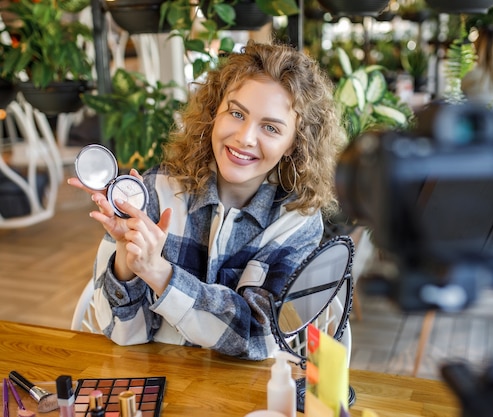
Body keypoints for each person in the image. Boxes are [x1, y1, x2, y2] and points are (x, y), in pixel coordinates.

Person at [68, 40, 347, 360]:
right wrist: (126, 255)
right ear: (215, 112)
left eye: (270, 127)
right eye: (237, 113)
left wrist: (160, 274)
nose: (245, 138)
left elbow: (259, 337)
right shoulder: (155, 190)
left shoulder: (296, 222)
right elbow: (122, 333)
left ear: (293, 144)